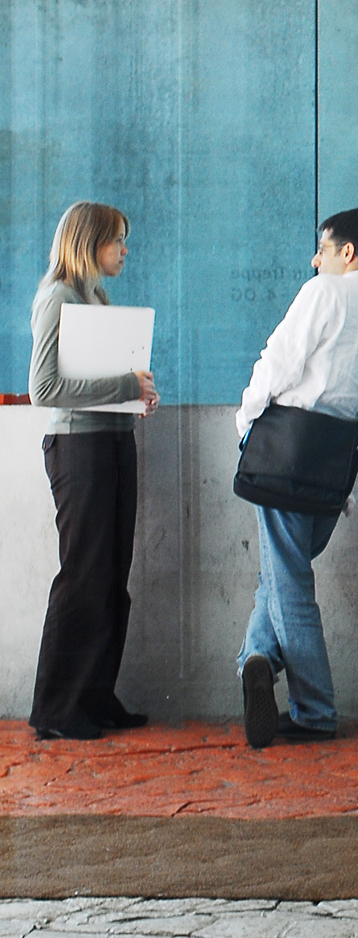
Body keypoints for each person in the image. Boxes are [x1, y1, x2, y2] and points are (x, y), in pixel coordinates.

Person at [235, 207, 358, 748]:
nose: (316, 258)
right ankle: (258, 657)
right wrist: (349, 487)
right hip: (333, 473)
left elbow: (278, 361)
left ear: (347, 253)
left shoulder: (322, 293)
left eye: (324, 248)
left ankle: (315, 711)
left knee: (290, 583)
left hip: (285, 456)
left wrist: (246, 423)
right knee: (281, 575)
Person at [27, 202, 160, 741]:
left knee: (111, 578)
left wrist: (137, 396)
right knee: (83, 575)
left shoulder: (96, 297)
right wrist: (127, 386)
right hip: (78, 448)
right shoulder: (57, 296)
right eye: (117, 240)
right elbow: (45, 389)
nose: (125, 250)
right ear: (90, 241)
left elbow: (102, 381)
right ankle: (58, 708)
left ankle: (95, 697)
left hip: (111, 443)